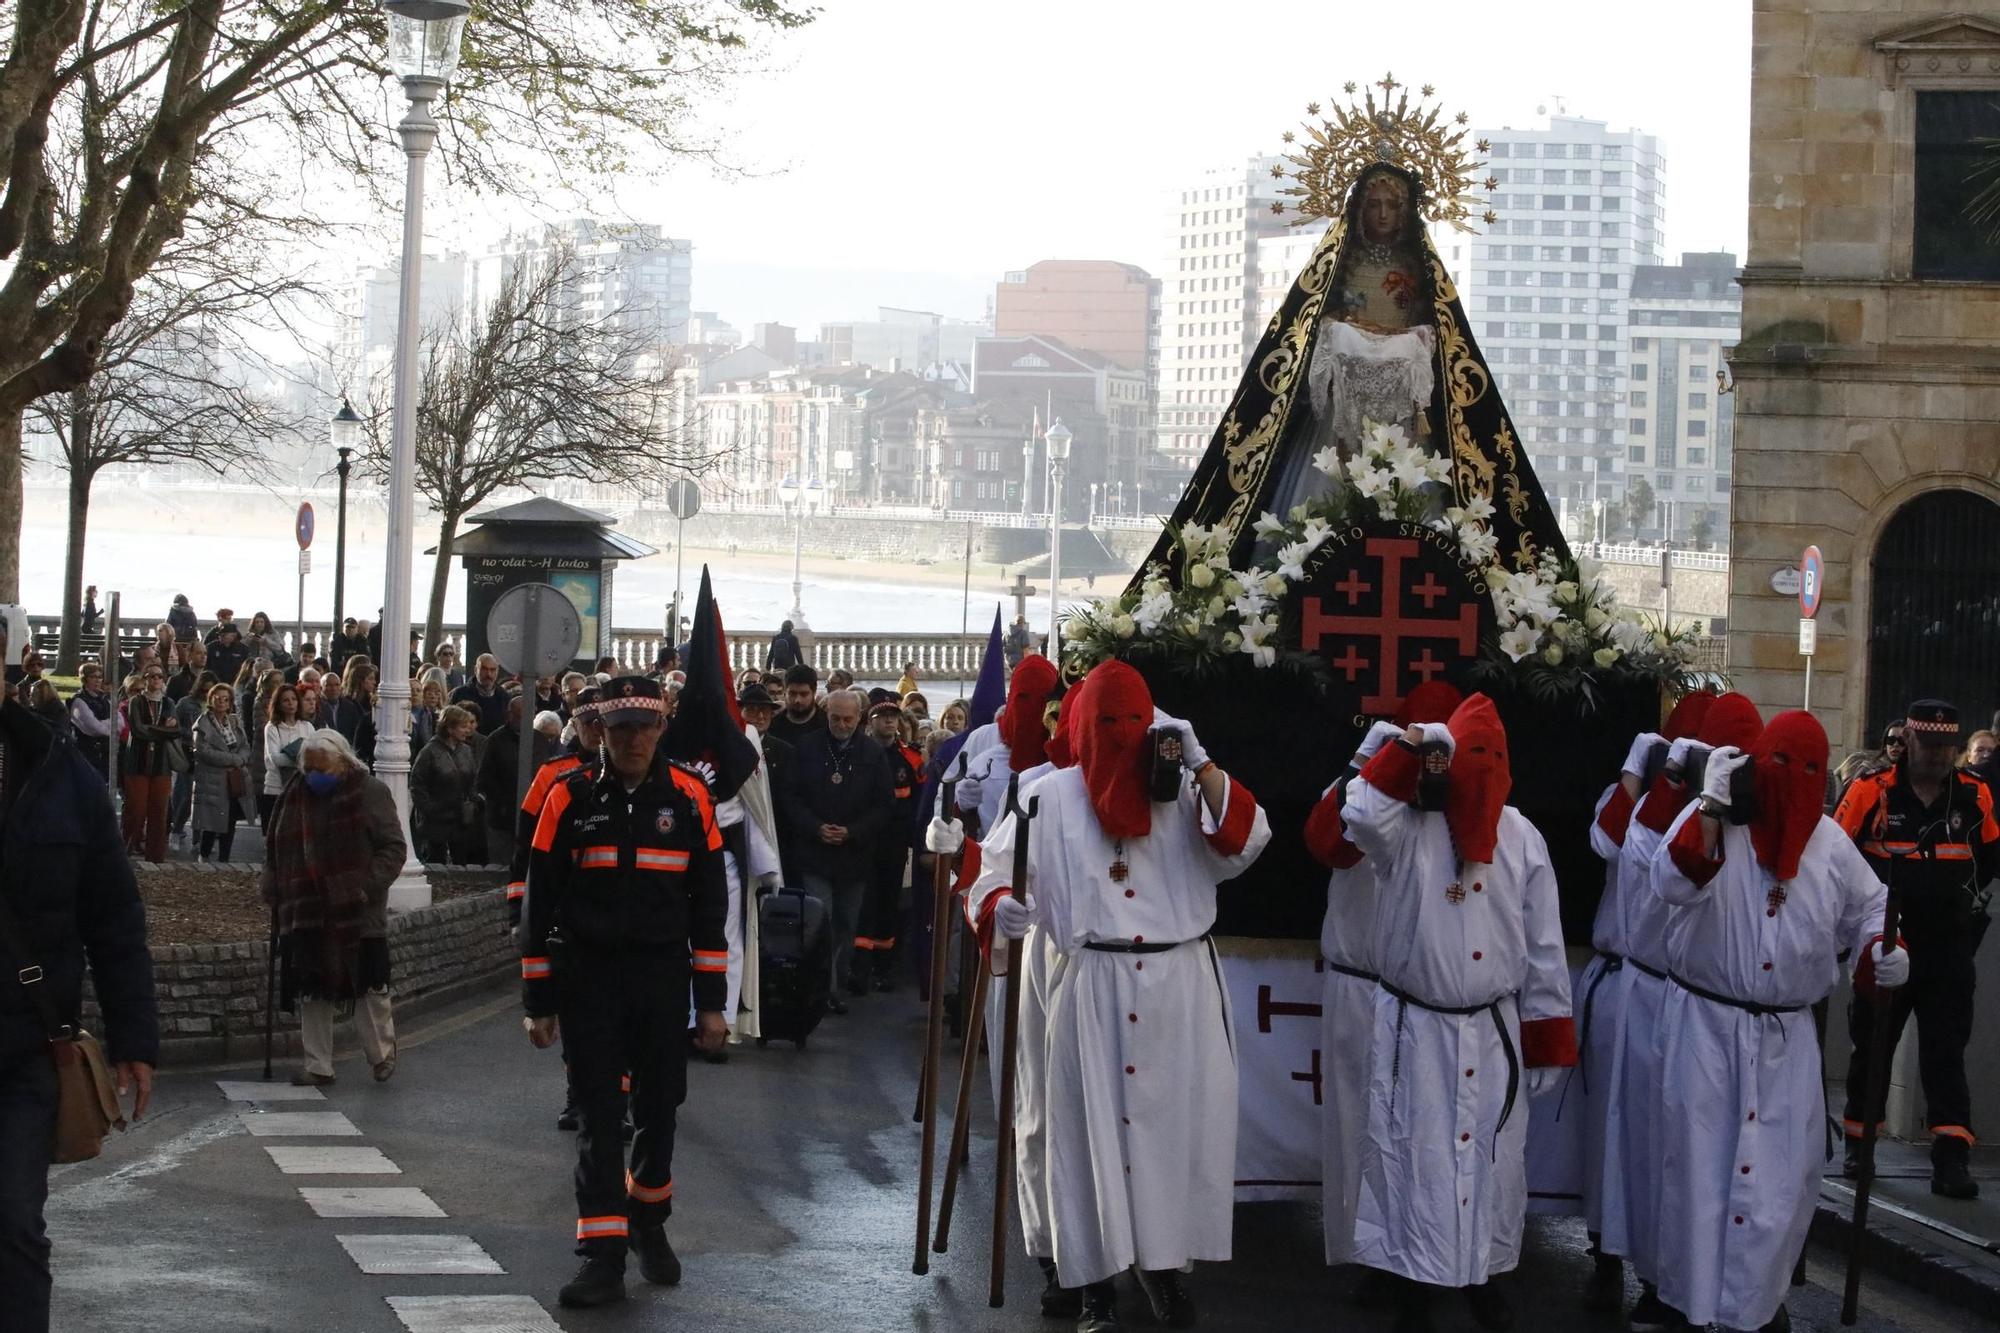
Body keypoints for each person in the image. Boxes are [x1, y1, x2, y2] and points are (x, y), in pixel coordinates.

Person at [977, 660, 1269, 1329]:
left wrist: (1199, 762)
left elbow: (1246, 840)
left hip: (1176, 988)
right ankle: (1094, 1285)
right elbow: (993, 873)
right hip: (1091, 986)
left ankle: (1164, 1271)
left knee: (1172, 1138)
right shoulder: (1047, 796)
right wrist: (1000, 907)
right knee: (1084, 1141)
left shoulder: (1185, 792)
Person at [1652, 710, 1896, 1333]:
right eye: (1782, 763)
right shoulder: (1717, 818)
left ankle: (1760, 1304)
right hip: (1707, 1030)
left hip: (1786, 1041)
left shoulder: (1831, 846)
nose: (1794, 780)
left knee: (1781, 1185)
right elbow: (1671, 883)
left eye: (1811, 770)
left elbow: (1873, 911)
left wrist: (1882, 953)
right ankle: (1691, 1304)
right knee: (1701, 1175)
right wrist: (1709, 804)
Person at [1341, 692, 1576, 1332]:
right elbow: (1357, 812)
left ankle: (1483, 1275)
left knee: (1492, 1159)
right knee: (1413, 1155)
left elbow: (1544, 943)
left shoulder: (1523, 839)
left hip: (1490, 1028)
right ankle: (1413, 1282)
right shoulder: (1405, 827)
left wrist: (1549, 1031)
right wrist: (1411, 744)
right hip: (1415, 1027)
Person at [521, 675, 729, 1309]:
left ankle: (648, 1219)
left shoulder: (692, 798)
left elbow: (709, 905)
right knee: (599, 1117)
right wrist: (538, 1002)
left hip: (662, 978)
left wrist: (713, 1002)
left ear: (662, 727)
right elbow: (539, 901)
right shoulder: (568, 795)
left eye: (644, 725)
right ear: (599, 732)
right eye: (620, 728)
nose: (633, 738)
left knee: (661, 1106)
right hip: (589, 978)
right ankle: (602, 1255)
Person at [1589, 692, 1762, 1328]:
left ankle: (1702, 1279)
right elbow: (1616, 846)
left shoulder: (1735, 814)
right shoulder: (1649, 804)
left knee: (1688, 1152)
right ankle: (1611, 1257)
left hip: (1697, 998)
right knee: (1622, 1143)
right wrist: (1643, 776)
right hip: (1634, 986)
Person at [0, 684, 157, 1333]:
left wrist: (135, 1039)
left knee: (12, 1224)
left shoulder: (64, 774)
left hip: (27, 1050)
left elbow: (114, 916)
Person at [1301, 681, 1462, 1274]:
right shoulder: (1358, 790)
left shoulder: (1461, 806)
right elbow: (1327, 843)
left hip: (1429, 996)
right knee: (1357, 1128)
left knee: (1433, 1135)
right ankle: (1361, 1255)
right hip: (1361, 982)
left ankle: (1436, 1260)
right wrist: (1367, 764)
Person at [1833, 698, 1998, 1200]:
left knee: (1946, 1054)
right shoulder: (1871, 790)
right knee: (1873, 1047)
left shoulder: (1975, 794)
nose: (1938, 756)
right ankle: (1860, 1146)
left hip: (1949, 947)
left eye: (1948, 747)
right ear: (1908, 739)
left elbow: (1991, 854)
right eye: (1929, 745)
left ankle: (1951, 1158)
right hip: (1888, 941)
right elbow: (1835, 855)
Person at [264, 729, 405, 1087]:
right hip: (307, 907)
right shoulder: (294, 794)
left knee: (367, 986)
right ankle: (317, 1064)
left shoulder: (370, 792)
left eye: (322, 769)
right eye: (309, 769)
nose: (315, 776)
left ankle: (381, 1054)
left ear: (343, 762)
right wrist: (272, 884)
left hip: (356, 908)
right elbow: (275, 847)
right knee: (311, 986)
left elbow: (393, 848)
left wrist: (363, 887)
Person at [780, 688, 893, 1008]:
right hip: (815, 852)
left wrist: (852, 832)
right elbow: (790, 797)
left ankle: (835, 985)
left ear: (859, 718)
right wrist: (816, 827)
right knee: (819, 918)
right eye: (835, 718)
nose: (842, 725)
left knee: (845, 923)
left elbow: (884, 805)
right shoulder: (806, 748)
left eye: (848, 719)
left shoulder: (872, 753)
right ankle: (819, 989)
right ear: (826, 715)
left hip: (853, 856)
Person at [853, 701, 923, 993]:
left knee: (889, 904)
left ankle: (884, 967)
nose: (889, 722)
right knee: (863, 903)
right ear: (871, 722)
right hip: (863, 841)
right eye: (883, 718)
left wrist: (915, 840)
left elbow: (919, 801)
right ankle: (859, 968)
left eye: (893, 717)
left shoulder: (910, 759)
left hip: (894, 844)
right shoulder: (859, 755)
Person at [409, 705, 484, 864]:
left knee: (461, 860)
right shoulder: (429, 752)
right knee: (436, 861)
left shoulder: (466, 751)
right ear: (450, 728)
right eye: (463, 726)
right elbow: (417, 784)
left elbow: (472, 779)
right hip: (436, 820)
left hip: (461, 818)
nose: (467, 730)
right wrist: (429, 808)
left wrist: (473, 801)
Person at [121, 662, 180, 862]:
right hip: (137, 761)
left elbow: (175, 730)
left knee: (159, 811)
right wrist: (162, 728)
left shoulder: (169, 702)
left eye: (159, 676)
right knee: (136, 810)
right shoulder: (136, 701)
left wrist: (155, 729)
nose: (156, 680)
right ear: (145, 679)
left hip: (161, 763)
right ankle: (126, 850)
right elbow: (138, 730)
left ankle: (155, 856)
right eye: (152, 676)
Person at [191, 683, 251, 863]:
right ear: (210, 699)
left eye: (226, 699)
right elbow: (203, 751)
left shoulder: (234, 721)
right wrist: (232, 760)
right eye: (218, 698)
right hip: (212, 778)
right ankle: (204, 855)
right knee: (210, 821)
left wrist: (240, 759)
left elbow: (244, 746)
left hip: (233, 778)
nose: (222, 702)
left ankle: (225, 858)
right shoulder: (202, 723)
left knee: (230, 819)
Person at [478, 694, 529, 866]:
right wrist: (504, 802)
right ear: (510, 715)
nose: (524, 721)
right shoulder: (495, 741)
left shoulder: (538, 739)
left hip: (529, 816)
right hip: (502, 818)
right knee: (501, 865)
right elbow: (484, 778)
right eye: (520, 716)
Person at [263, 684, 312, 825]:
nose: (291, 703)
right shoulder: (272, 727)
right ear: (278, 704)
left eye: (294, 699)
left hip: (300, 787)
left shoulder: (307, 727)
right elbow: (275, 758)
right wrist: (302, 759)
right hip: (276, 787)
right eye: (286, 700)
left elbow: (314, 752)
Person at [68, 661, 116, 778]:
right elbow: (93, 728)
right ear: (85, 679)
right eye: (93, 677)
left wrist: (105, 725)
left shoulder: (105, 699)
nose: (97, 680)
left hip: (105, 753)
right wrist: (109, 726)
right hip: (87, 752)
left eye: (99, 677)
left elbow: (119, 722)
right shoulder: (78, 700)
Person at [331, 659, 379, 769]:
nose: (374, 682)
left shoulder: (372, 703)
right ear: (360, 681)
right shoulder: (347, 705)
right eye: (370, 679)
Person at [765, 663, 827, 748]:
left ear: (814, 692)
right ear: (785, 692)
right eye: (792, 694)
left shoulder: (827, 725)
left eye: (803, 694)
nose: (797, 700)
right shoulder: (773, 726)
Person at [450, 653, 510, 735]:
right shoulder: (460, 694)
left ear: (497, 671)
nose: (489, 674)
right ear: (476, 670)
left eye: (492, 670)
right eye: (484, 669)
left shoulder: (504, 697)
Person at [205, 621, 248, 688]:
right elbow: (206, 666)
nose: (221, 637)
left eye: (224, 635)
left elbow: (246, 669)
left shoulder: (243, 650)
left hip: (235, 685)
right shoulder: (211, 647)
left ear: (234, 635)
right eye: (220, 635)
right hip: (214, 684)